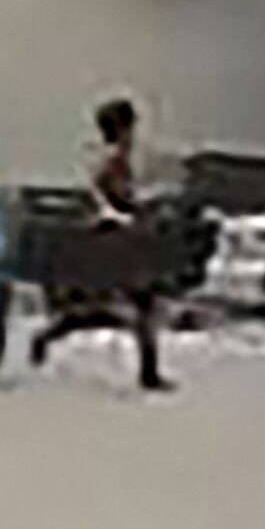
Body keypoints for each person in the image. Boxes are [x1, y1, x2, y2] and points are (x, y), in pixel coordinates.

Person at [30, 95, 169, 391]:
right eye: (129, 125)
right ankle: (149, 372)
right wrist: (139, 208)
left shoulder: (110, 156)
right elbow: (114, 197)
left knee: (110, 306)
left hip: (110, 237)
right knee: (135, 303)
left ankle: (46, 339)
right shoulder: (113, 159)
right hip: (114, 238)